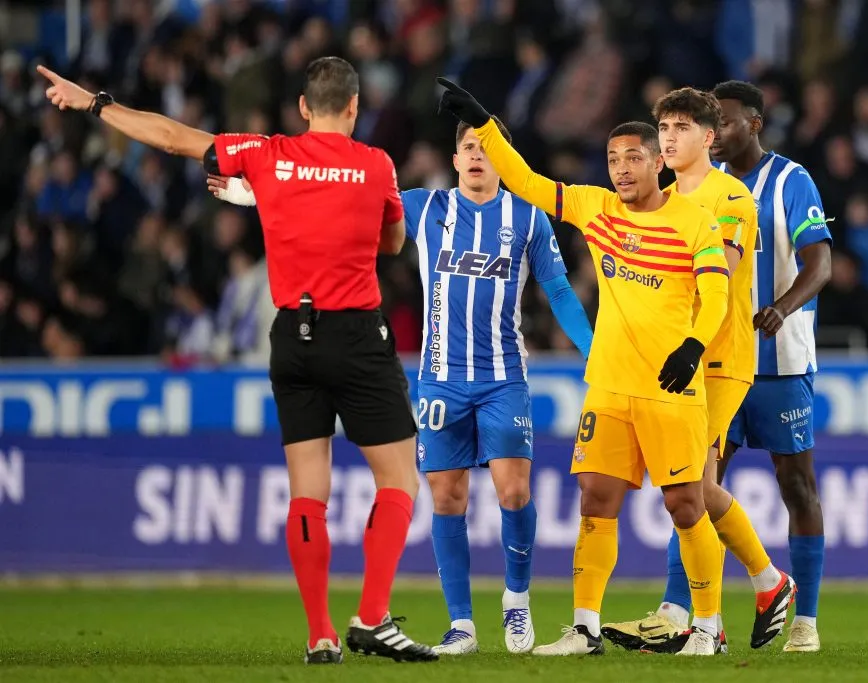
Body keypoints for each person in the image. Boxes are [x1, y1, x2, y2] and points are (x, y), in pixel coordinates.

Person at [36, 58, 438, 665]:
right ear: (354, 107)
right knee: (399, 479)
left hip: (292, 336)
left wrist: (94, 103)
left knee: (308, 493)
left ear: (302, 107)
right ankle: (373, 617)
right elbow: (393, 242)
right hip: (357, 335)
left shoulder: (267, 155)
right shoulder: (376, 164)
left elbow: (170, 136)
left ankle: (320, 634)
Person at [212, 116, 594, 656]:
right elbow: (337, 208)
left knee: (514, 490)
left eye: (488, 148)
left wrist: (591, 348)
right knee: (447, 497)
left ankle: (516, 600)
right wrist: (253, 195)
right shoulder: (426, 206)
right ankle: (461, 624)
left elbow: (557, 290)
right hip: (440, 379)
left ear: (505, 159)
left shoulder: (528, 217)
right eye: (468, 147)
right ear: (455, 159)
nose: (477, 155)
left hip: (504, 376)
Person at [438, 78, 732, 656]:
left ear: (658, 163)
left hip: (671, 387)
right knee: (595, 501)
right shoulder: (596, 208)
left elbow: (717, 296)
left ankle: (707, 626)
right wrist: (485, 124)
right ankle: (584, 627)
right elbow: (526, 181)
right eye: (613, 160)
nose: (621, 170)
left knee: (685, 505)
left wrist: (695, 345)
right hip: (609, 387)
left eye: (633, 159)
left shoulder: (696, 221)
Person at [601, 87, 794, 654]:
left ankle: (721, 611)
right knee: (696, 489)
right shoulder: (659, 198)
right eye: (664, 128)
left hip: (719, 359)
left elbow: (717, 273)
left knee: (693, 488)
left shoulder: (732, 198)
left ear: (709, 138)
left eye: (681, 127)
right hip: (670, 363)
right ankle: (758, 588)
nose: (668, 138)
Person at [711, 80, 833, 653]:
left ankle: (805, 621)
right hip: (717, 364)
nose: (714, 133)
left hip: (779, 365)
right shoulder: (700, 185)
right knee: (695, 487)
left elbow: (820, 263)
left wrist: (782, 308)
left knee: (797, 486)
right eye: (710, 123)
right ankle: (694, 618)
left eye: (725, 122)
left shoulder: (791, 180)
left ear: (755, 124)